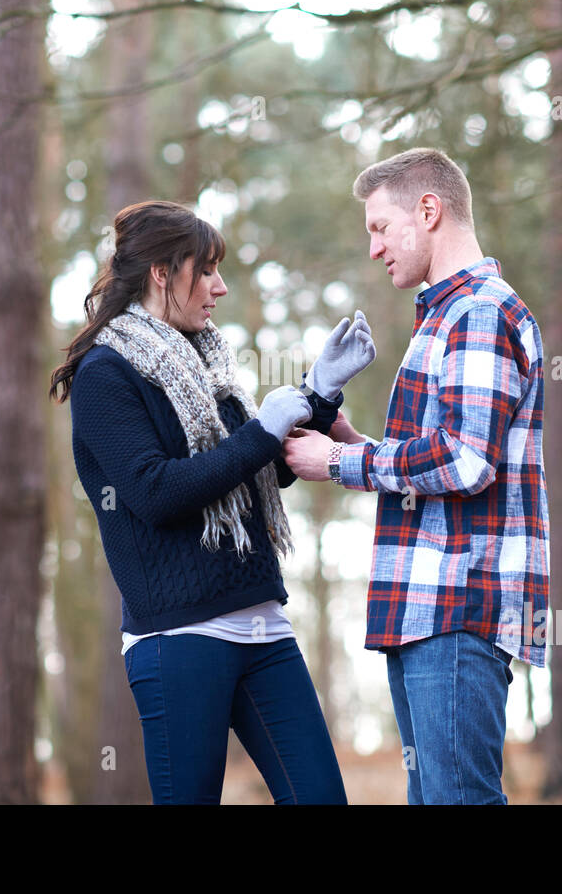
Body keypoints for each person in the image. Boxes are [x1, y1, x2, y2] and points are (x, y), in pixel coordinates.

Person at [50, 199, 376, 804]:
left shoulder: (207, 364)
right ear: (161, 274)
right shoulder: (106, 375)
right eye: (206, 270)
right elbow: (156, 493)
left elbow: (257, 477)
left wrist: (319, 394)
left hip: (261, 626)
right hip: (178, 640)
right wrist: (262, 431)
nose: (220, 287)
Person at [283, 148, 550, 805]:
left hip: (458, 606)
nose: (373, 248)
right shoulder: (446, 314)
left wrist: (342, 462)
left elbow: (465, 459)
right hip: (426, 609)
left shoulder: (479, 312)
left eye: (379, 227)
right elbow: (451, 455)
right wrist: (358, 442)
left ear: (428, 211)